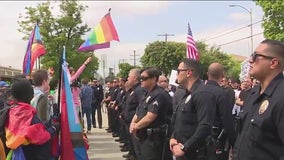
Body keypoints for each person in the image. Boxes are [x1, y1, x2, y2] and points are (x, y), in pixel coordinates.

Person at [233, 39, 284, 160]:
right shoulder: (253, 93)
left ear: (273, 63)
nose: (250, 60)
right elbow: (241, 138)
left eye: (256, 56)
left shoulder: (281, 97)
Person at [4, 77, 59, 160]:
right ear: (30, 95)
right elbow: (42, 136)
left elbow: (34, 131)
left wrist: (49, 123)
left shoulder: (11, 111)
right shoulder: (28, 116)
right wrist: (54, 128)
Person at [170, 58, 213, 160]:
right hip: (180, 150)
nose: (177, 74)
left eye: (179, 71)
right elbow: (179, 121)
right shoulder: (187, 93)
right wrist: (173, 137)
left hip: (193, 153)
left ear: (188, 72)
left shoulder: (202, 93)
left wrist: (185, 147)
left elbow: (205, 126)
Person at [130, 67, 172, 160]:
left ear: (153, 79)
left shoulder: (159, 94)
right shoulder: (147, 94)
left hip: (154, 139)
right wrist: (133, 123)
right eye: (140, 78)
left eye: (144, 78)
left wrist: (135, 126)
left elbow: (150, 117)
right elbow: (139, 111)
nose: (141, 80)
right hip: (144, 137)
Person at [205, 63, 236, 160]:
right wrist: (233, 141)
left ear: (207, 74)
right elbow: (227, 119)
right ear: (222, 76)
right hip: (216, 139)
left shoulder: (197, 91)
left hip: (199, 138)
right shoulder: (222, 94)